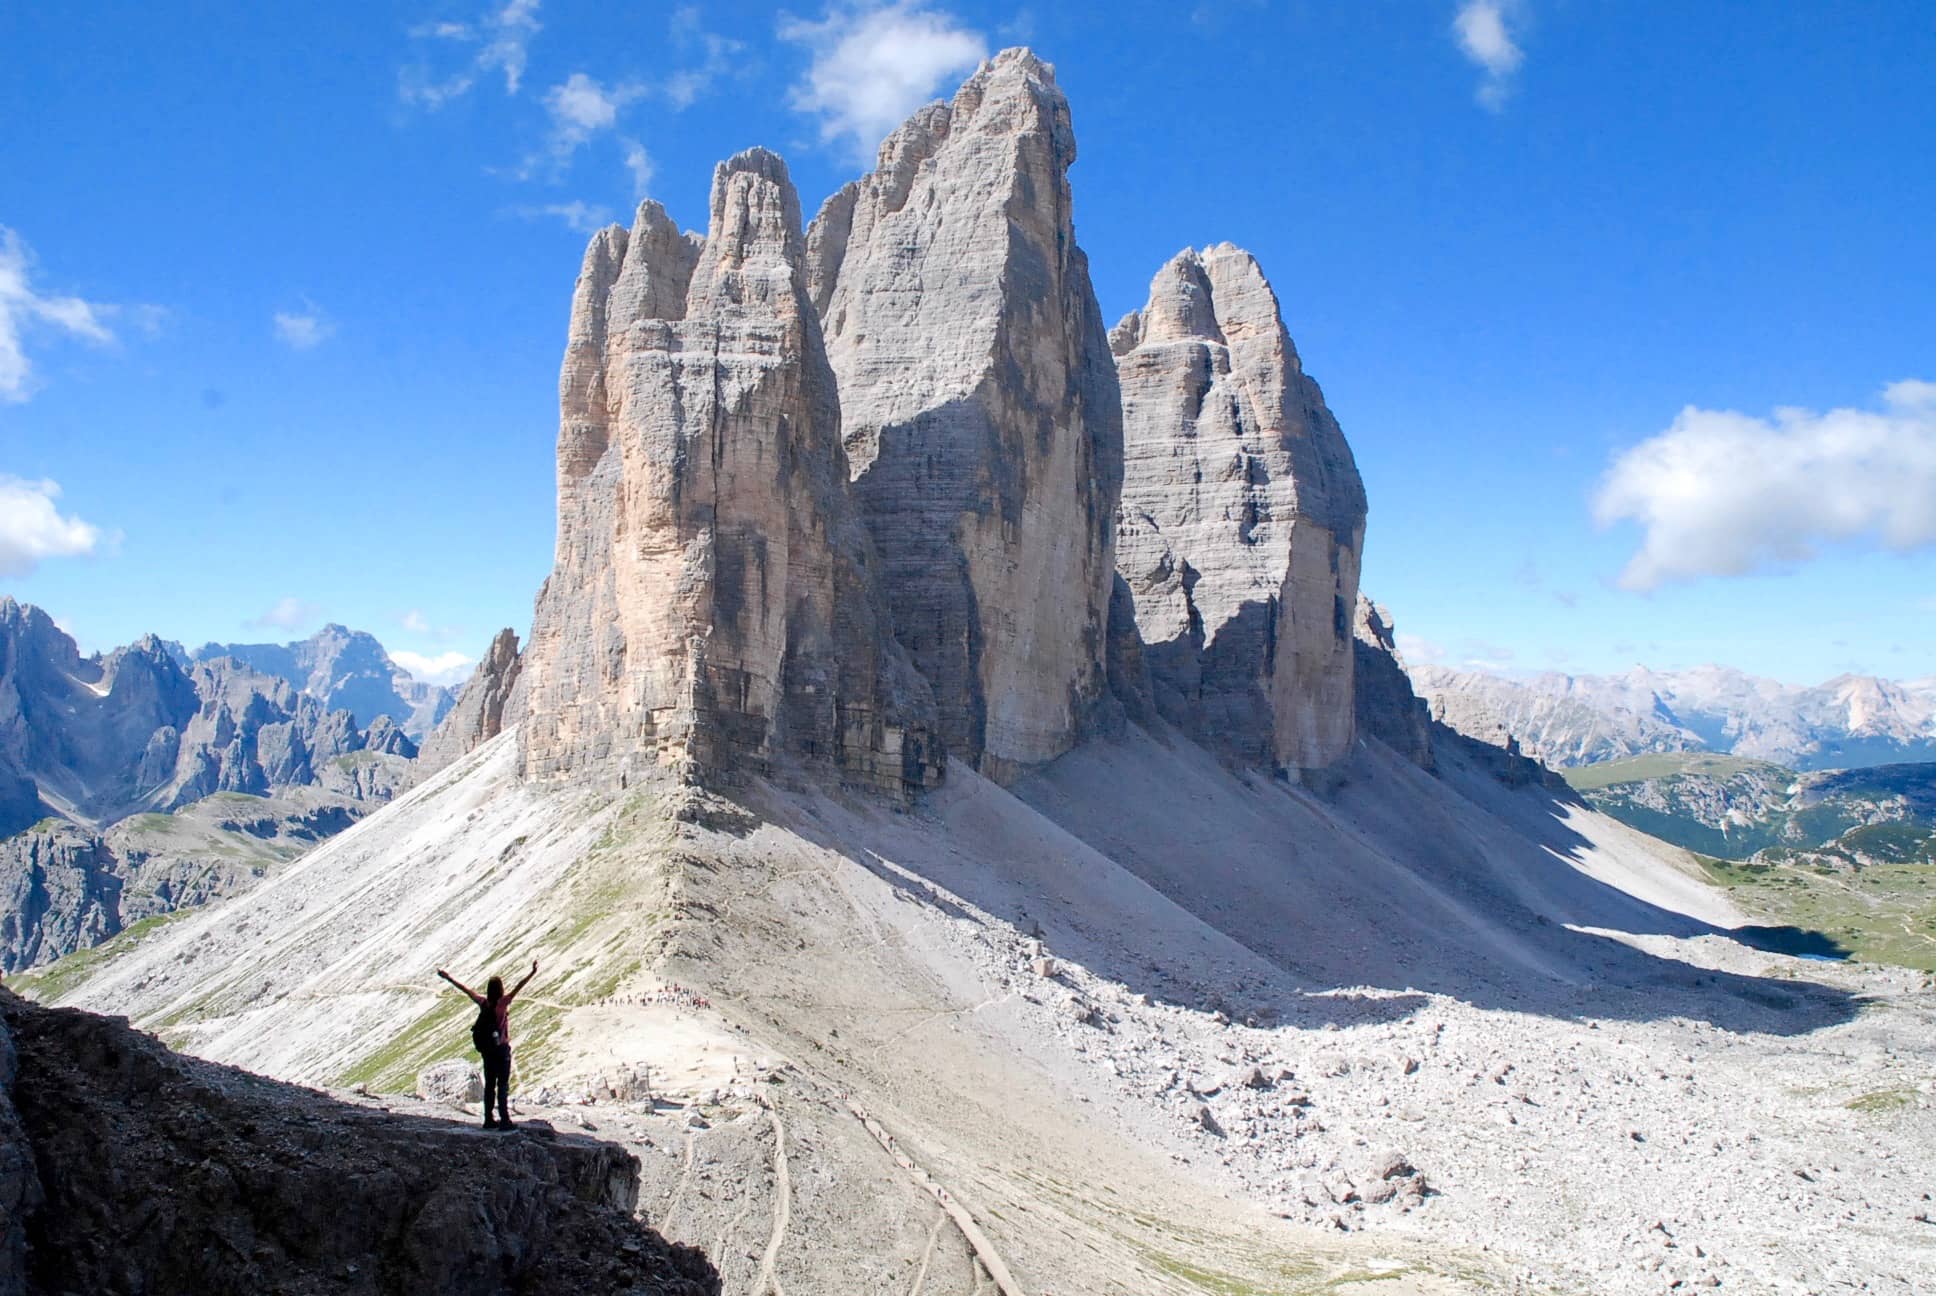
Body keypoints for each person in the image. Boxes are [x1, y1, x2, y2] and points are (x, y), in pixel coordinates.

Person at [436, 959, 537, 1129]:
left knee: (490, 1085)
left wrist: (448, 978)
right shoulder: (503, 1003)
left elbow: (465, 990)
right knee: (502, 1085)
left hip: (488, 1051)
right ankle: (505, 1120)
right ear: (501, 989)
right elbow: (519, 986)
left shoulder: (483, 1003)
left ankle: (488, 1119)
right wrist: (532, 972)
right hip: (502, 1049)